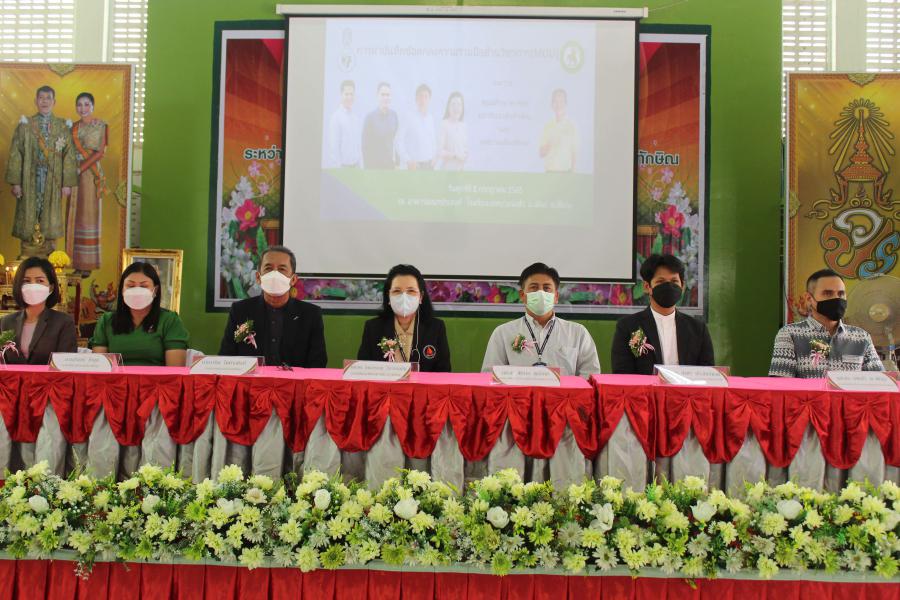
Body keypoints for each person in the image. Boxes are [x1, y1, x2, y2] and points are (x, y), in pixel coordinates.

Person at [482, 262, 600, 377]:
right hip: (519, 391)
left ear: (556, 297)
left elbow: (590, 375)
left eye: (546, 288)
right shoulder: (503, 333)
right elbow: (489, 376)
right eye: (534, 288)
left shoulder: (578, 333)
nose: (541, 293)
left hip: (565, 391)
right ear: (522, 295)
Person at [219, 245, 327, 368]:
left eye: (282, 269)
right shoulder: (240, 311)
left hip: (294, 380)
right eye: (268, 268)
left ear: (293, 280)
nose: (275, 274)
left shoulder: (310, 314)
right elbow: (226, 357)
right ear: (258, 277)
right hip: (252, 379)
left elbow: (318, 363)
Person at [4, 85, 78, 257]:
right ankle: (27, 256)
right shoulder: (25, 125)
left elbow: (69, 156)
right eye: (41, 98)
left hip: (53, 180)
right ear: (36, 101)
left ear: (54, 102)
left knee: (50, 215)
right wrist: (15, 182)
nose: (44, 101)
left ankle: (49, 257)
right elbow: (16, 154)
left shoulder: (62, 126)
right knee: (29, 214)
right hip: (29, 179)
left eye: (48, 98)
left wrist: (67, 184)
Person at [769, 268, 884, 377]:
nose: (837, 298)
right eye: (828, 293)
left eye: (841, 293)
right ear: (809, 299)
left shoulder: (862, 337)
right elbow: (781, 385)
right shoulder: (790, 334)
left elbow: (881, 383)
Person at [611, 254, 715, 374]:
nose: (669, 286)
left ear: (682, 286)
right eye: (661, 281)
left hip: (686, 387)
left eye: (674, 281)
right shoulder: (629, 327)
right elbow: (622, 374)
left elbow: (708, 374)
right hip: (645, 387)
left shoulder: (698, 329)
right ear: (647, 287)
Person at [90, 262, 189, 366]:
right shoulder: (106, 321)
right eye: (130, 286)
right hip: (115, 377)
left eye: (144, 286)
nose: (137, 291)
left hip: (156, 377)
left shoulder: (170, 320)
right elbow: (100, 367)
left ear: (155, 290)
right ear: (122, 290)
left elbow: (175, 370)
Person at [357, 264, 450, 371]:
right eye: (397, 291)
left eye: (411, 291)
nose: (404, 297)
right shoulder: (373, 328)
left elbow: (444, 372)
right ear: (388, 296)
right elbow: (362, 370)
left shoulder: (436, 328)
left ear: (421, 297)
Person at [0, 256, 77, 365]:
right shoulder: (6, 322)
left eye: (40, 281)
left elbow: (66, 365)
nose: (33, 286)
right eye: (26, 281)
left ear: (51, 287)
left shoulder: (63, 322)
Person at [67, 92, 108, 275]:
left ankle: (87, 265)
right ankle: (76, 263)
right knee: (75, 216)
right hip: (74, 175)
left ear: (93, 106)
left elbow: (100, 153)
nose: (82, 108)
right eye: (79, 104)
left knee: (88, 216)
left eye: (86, 104)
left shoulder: (101, 126)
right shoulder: (73, 127)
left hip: (91, 175)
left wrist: (81, 168)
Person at [397, 84, 437, 170]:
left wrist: (434, 157)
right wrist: (408, 160)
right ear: (416, 99)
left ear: (429, 100)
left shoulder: (431, 118)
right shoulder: (408, 117)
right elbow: (399, 141)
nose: (423, 100)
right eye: (420, 96)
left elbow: (433, 141)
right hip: (414, 166)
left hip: (429, 165)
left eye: (426, 97)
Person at [538, 88, 578, 172]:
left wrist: (573, 173)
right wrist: (549, 145)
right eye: (555, 101)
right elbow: (541, 153)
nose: (558, 104)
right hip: (549, 173)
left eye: (561, 101)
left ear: (565, 104)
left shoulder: (571, 127)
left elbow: (574, 153)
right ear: (552, 105)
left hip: (566, 173)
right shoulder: (547, 127)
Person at [361, 82, 399, 169]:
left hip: (390, 167)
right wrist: (368, 170)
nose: (385, 98)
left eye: (388, 95)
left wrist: (397, 162)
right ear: (377, 96)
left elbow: (396, 141)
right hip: (374, 167)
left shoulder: (394, 116)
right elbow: (365, 147)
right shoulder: (370, 118)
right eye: (383, 95)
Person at [327, 80, 362, 168]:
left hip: (356, 167)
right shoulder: (336, 118)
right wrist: (340, 170)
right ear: (341, 95)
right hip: (343, 168)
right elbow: (334, 148)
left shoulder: (355, 117)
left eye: (351, 94)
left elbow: (358, 145)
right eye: (346, 94)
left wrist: (360, 165)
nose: (349, 97)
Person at [437, 92, 468, 171]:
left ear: (462, 108)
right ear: (448, 107)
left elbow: (465, 149)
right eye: (453, 104)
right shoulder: (444, 124)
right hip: (447, 172)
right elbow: (440, 151)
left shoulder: (463, 126)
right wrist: (455, 156)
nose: (456, 107)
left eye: (459, 104)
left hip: (461, 170)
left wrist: (465, 155)